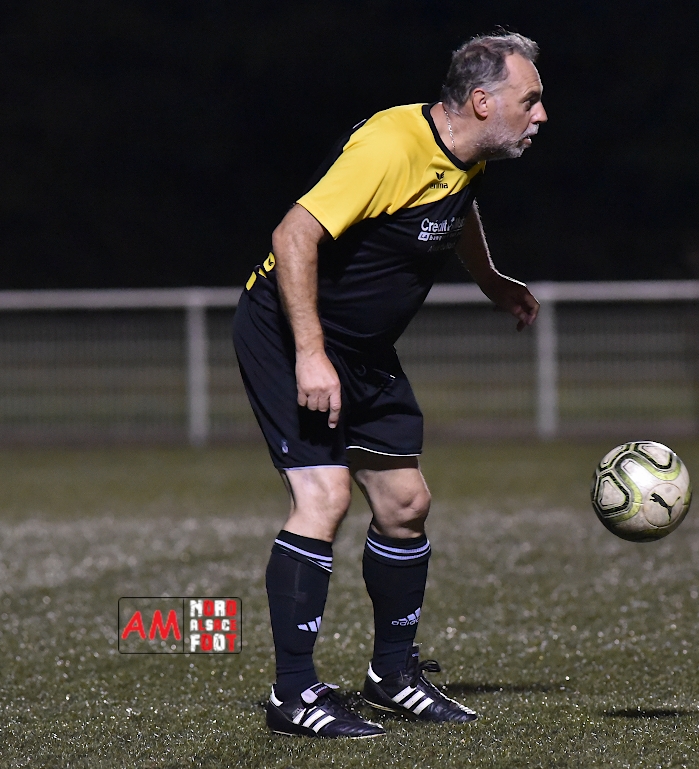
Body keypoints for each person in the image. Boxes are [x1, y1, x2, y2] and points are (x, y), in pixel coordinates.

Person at [233, 31, 546, 739]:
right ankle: (293, 695)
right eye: (530, 100)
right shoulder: (389, 147)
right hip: (289, 331)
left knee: (406, 503)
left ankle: (392, 676)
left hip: (362, 348)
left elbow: (457, 209)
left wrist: (492, 281)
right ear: (482, 100)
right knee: (324, 496)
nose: (540, 114)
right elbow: (292, 236)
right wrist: (311, 354)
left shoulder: (465, 153)